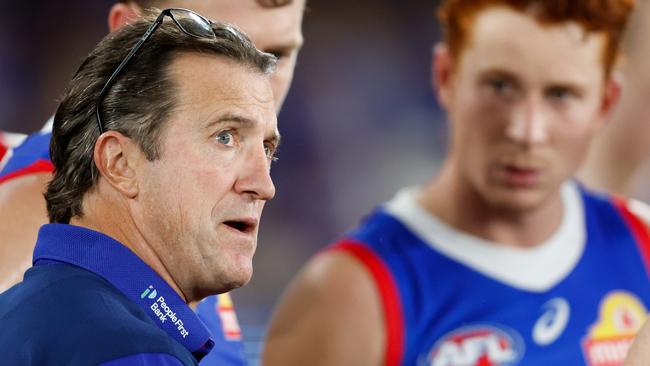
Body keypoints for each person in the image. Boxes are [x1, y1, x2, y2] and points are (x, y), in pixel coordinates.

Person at [263, 0, 650, 365]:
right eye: (500, 86)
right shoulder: (347, 297)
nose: (526, 130)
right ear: (446, 76)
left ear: (605, 103)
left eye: (561, 94)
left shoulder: (642, 242)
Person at [0, 0, 304, 364]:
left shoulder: (179, 250)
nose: (266, 187)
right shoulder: (130, 347)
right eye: (225, 137)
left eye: (278, 53)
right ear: (119, 163)